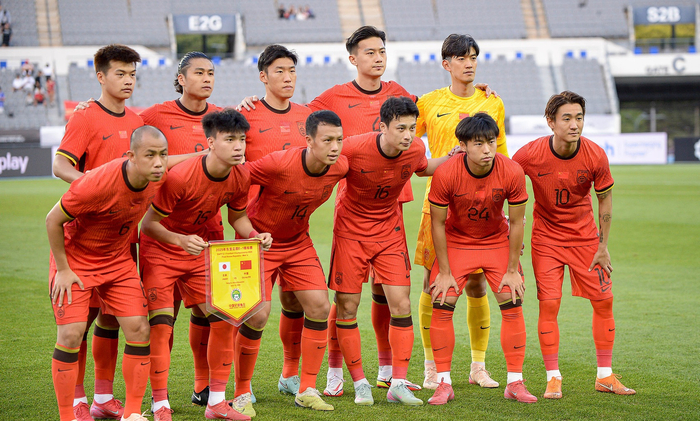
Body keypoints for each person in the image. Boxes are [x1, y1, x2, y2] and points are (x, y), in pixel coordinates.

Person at [140, 109, 271, 421]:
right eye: (230, 140)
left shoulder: (241, 175)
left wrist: (254, 235)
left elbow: (238, 217)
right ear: (210, 142)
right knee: (161, 326)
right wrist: (179, 240)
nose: (238, 146)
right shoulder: (180, 176)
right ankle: (160, 404)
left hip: (198, 249)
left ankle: (216, 403)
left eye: (242, 140)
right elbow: (148, 224)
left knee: (225, 318)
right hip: (161, 249)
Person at [328, 96, 451, 407]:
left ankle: (397, 383)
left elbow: (424, 168)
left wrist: (453, 156)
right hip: (351, 233)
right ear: (382, 127)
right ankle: (360, 384)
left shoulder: (415, 148)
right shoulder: (353, 148)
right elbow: (323, 167)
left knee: (401, 303)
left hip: (389, 233)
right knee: (347, 307)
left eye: (412, 128)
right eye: (401, 128)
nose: (408, 135)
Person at [512, 91, 635, 399]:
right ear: (550, 122)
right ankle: (553, 377)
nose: (574, 124)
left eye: (579, 118)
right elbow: (504, 180)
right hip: (546, 239)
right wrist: (508, 226)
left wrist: (602, 246)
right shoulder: (530, 153)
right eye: (566, 118)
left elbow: (605, 201)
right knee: (549, 304)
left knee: (604, 301)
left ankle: (605, 376)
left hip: (585, 239)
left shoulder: (595, 155)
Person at [46, 126, 169, 421]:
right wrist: (63, 269)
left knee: (139, 329)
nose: (158, 163)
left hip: (116, 260)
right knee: (71, 334)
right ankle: (67, 416)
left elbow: (179, 163)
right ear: (130, 156)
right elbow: (52, 220)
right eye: (150, 155)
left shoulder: (158, 175)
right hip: (75, 260)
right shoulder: (96, 183)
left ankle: (132, 414)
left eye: (163, 155)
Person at [231, 110, 347, 415]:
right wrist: (248, 230)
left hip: (297, 242)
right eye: (327, 140)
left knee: (320, 306)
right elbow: (235, 176)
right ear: (308, 140)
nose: (335, 147)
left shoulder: (340, 166)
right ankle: (241, 392)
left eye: (339, 140)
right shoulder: (278, 163)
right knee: (256, 315)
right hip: (258, 242)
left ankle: (306, 389)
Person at [53, 44, 143, 421]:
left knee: (113, 320)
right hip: (83, 239)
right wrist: (92, 188)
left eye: (132, 74)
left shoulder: (138, 121)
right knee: (82, 323)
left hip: (122, 242)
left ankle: (103, 398)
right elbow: (60, 166)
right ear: (101, 76)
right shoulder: (85, 117)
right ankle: (76, 400)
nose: (128, 81)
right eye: (120, 74)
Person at [414, 34, 509, 390]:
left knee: (477, 282)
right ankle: (430, 366)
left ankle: (478, 366)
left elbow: (502, 155)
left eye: (472, 57)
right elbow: (408, 141)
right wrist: (433, 163)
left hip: (481, 209)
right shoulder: (428, 102)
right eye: (461, 58)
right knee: (432, 282)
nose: (469, 64)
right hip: (438, 205)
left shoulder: (492, 102)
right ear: (446, 64)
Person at [425, 113, 536, 405]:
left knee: (512, 298)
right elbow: (437, 223)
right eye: (478, 143)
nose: (487, 149)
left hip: (495, 240)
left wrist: (512, 269)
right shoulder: (446, 172)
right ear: (462, 146)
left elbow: (517, 222)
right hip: (458, 240)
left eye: (491, 142)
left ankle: (515, 382)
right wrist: (444, 271)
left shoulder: (511, 170)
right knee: (442, 299)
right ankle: (443, 383)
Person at [237, 44, 312, 399]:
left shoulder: (308, 116)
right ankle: (242, 386)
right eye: (279, 71)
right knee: (254, 311)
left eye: (292, 70)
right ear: (263, 77)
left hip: (296, 231)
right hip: (255, 229)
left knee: (295, 303)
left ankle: (290, 374)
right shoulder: (246, 115)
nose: (288, 77)